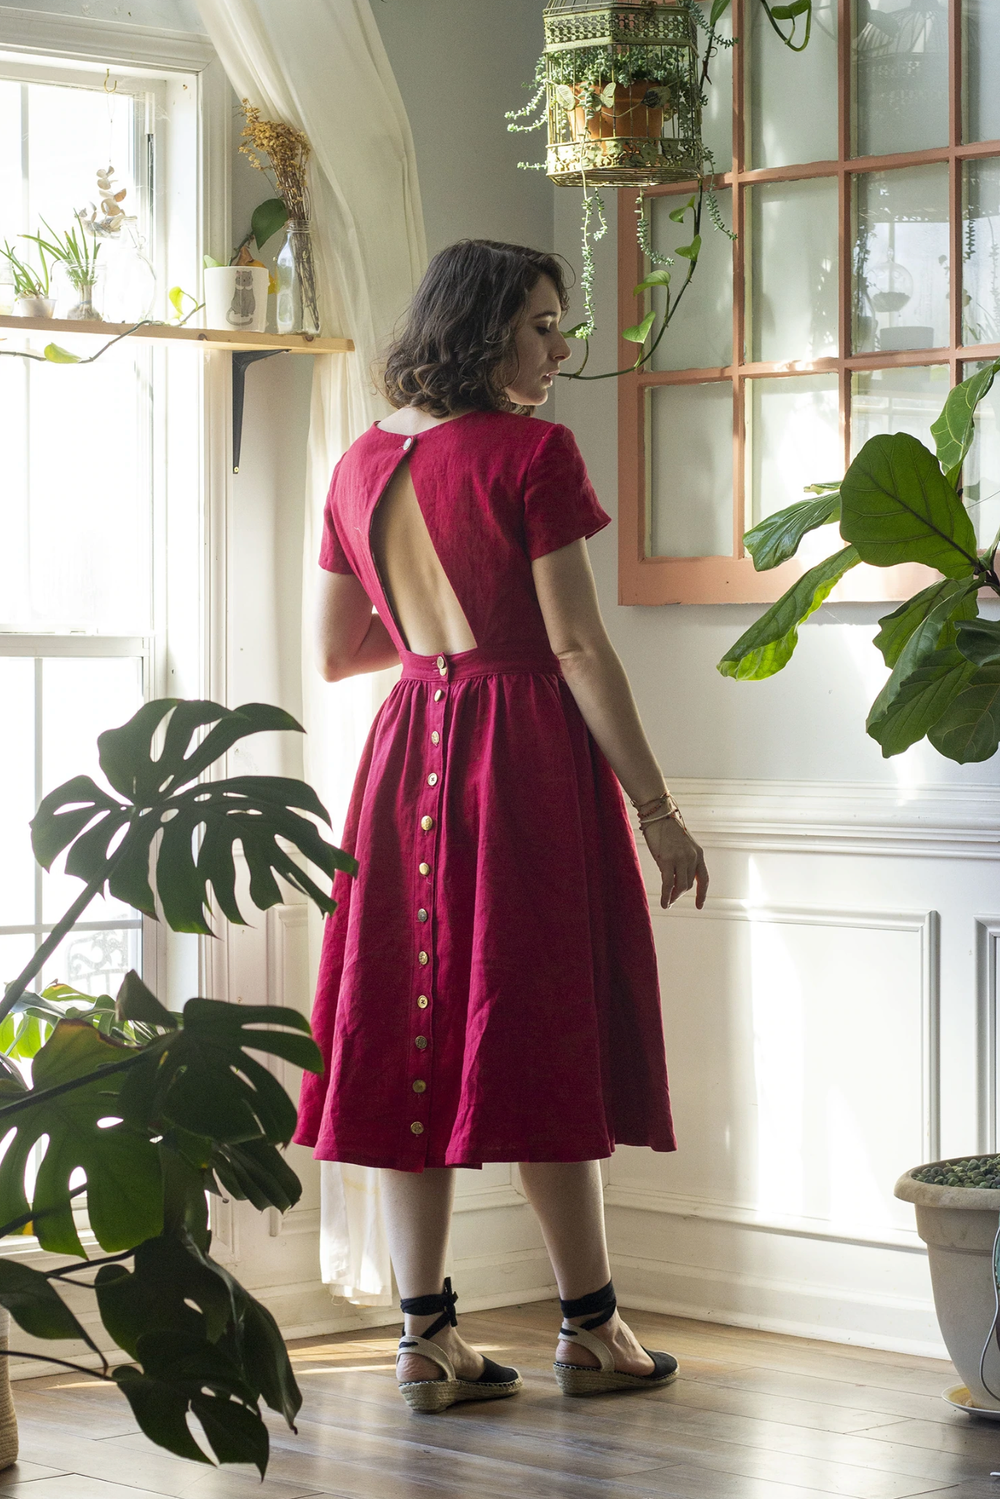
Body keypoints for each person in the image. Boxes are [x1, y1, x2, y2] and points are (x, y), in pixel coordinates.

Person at [293, 239, 709, 1415]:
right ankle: (593, 1326)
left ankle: (424, 1337)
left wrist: (439, 633)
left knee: (405, 1034)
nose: (558, 349)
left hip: (408, 745)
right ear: (482, 331)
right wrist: (658, 811)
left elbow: (337, 650)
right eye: (541, 326)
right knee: (535, 1025)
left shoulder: (360, 462)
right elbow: (575, 644)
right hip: (518, 753)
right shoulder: (533, 452)